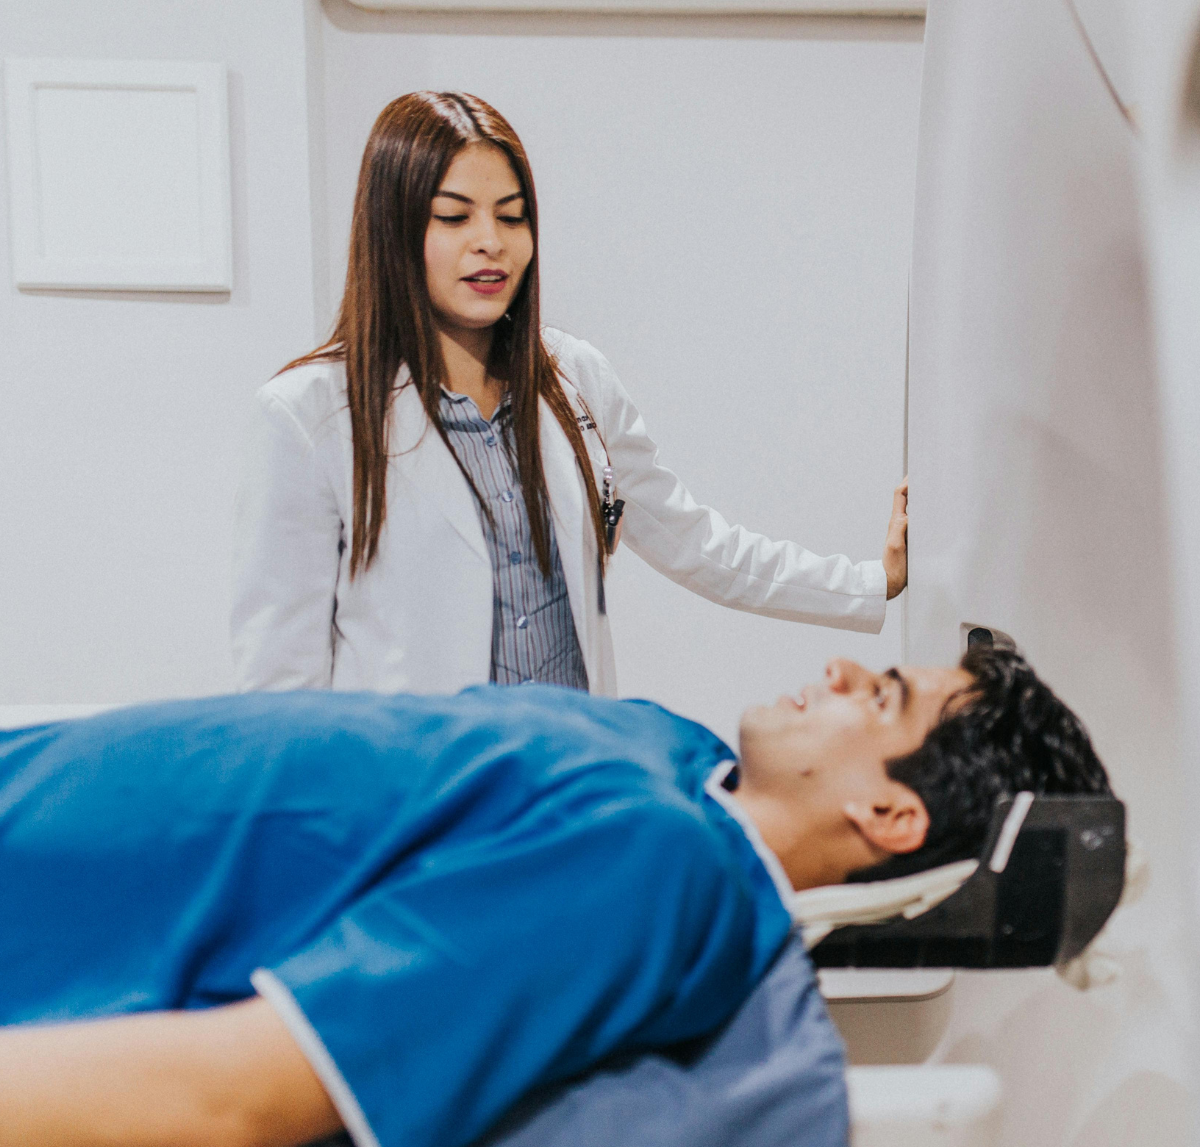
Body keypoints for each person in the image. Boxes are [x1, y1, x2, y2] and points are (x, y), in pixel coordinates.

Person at [0, 648, 1109, 1147]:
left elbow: (245, 1096)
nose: (833, 671)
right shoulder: (673, 753)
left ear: (891, 817)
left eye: (877, 696)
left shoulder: (663, 870)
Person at [231, 91, 909, 695]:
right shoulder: (309, 417)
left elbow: (696, 543)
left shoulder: (573, 377)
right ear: (394, 230)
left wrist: (871, 578)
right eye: (454, 217)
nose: (490, 243)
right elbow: (277, 687)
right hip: (420, 805)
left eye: (512, 216)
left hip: (569, 784)